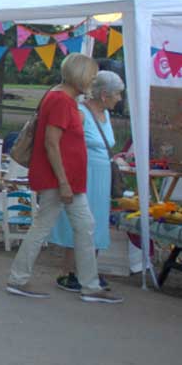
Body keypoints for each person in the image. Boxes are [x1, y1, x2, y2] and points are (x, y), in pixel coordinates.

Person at [5, 53, 122, 303]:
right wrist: (64, 182)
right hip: (61, 179)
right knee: (49, 227)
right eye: (90, 75)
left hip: (66, 179)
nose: (92, 80)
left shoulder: (62, 97)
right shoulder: (61, 100)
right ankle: (20, 278)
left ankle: (87, 284)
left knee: (82, 226)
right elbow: (52, 143)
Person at [51, 70, 126, 293]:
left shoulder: (107, 115)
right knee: (80, 220)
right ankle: (67, 271)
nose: (120, 99)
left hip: (102, 174)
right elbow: (65, 142)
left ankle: (88, 269)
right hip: (84, 172)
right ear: (105, 94)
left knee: (98, 221)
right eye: (118, 94)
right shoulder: (81, 112)